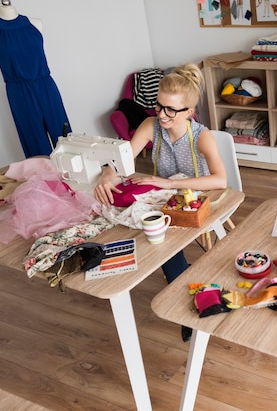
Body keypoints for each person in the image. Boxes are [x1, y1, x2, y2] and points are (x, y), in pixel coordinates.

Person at [94, 63, 227, 341]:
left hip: (196, 196)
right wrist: (108, 173)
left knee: (160, 237)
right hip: (166, 195)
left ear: (189, 112)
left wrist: (169, 183)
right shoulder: (150, 125)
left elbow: (219, 181)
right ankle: (186, 288)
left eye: (170, 110)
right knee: (149, 230)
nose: (162, 114)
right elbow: (123, 160)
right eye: (159, 106)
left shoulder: (201, 136)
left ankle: (184, 293)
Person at [0, 0, 71, 158]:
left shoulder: (35, 23)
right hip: (19, 90)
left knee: (64, 138)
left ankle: (77, 177)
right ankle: (47, 181)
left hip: (46, 85)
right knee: (35, 141)